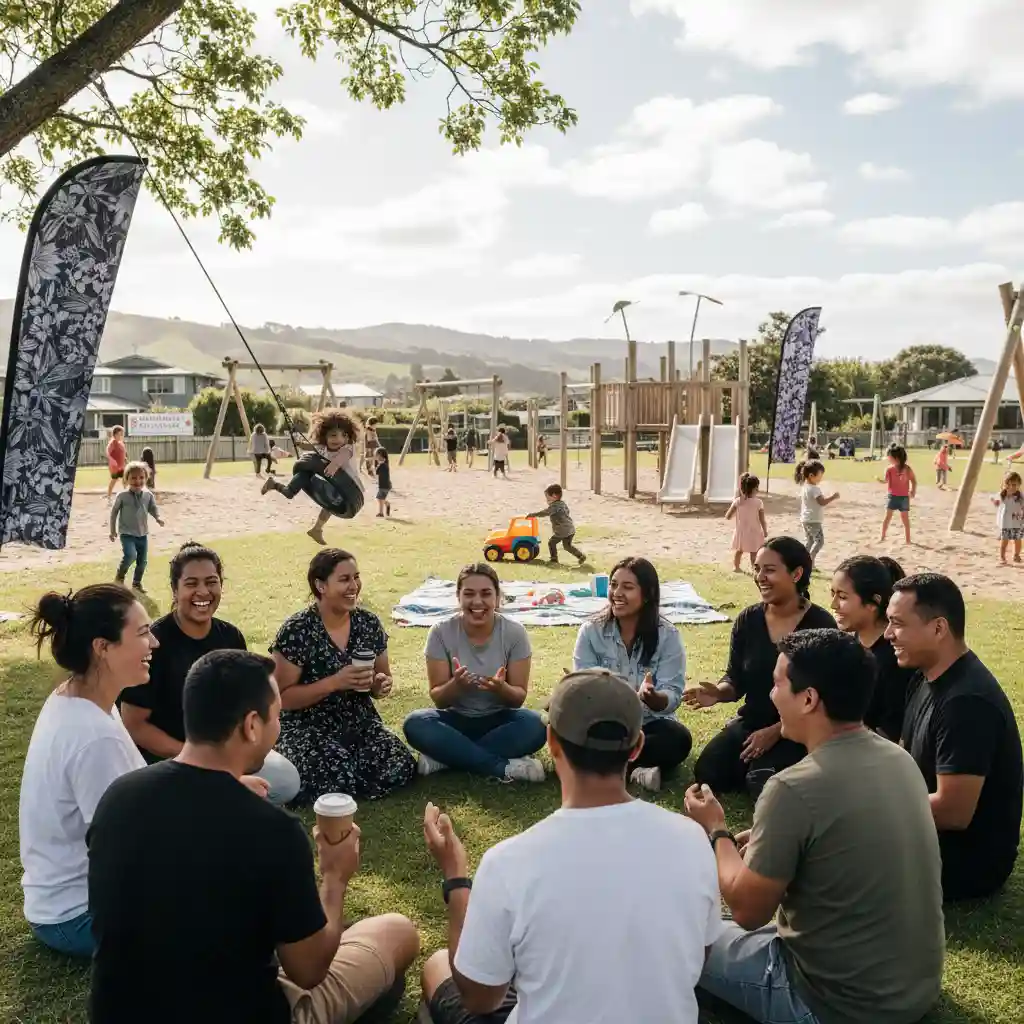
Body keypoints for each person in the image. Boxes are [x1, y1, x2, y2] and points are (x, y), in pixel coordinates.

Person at [87, 649, 420, 1024]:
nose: (277, 728)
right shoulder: (271, 830)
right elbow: (308, 971)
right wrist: (335, 876)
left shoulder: (118, 798)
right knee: (397, 931)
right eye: (276, 716)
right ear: (250, 725)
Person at [420, 668, 723, 1024]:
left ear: (551, 741)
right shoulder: (692, 840)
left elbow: (479, 998)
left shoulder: (509, 862)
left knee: (439, 965)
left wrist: (456, 880)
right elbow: (699, 957)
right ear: (638, 746)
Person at [685, 629, 944, 1024]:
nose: (771, 695)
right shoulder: (899, 760)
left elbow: (747, 910)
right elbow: (844, 836)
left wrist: (716, 829)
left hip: (831, 1002)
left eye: (777, 684)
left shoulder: (793, 788)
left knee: (679, 932)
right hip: (914, 989)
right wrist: (772, 836)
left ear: (808, 699)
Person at [19, 583, 154, 958]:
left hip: (69, 903)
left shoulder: (80, 697)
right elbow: (128, 848)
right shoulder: (94, 737)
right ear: (103, 647)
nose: (154, 643)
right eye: (143, 633)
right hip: (78, 915)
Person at [120, 541, 300, 805]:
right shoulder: (154, 644)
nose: (203, 592)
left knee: (285, 780)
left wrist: (239, 753)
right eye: (191, 583)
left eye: (211, 582)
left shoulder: (230, 637)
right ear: (175, 589)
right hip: (168, 759)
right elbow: (134, 725)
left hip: (221, 753)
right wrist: (197, 762)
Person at [888, 573, 1023, 901]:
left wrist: (868, 809)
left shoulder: (967, 703)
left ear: (938, 629)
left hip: (966, 861)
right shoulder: (924, 676)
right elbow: (904, 757)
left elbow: (953, 812)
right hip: (925, 832)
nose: (888, 634)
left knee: (836, 851)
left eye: (898, 624)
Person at [687, 537, 836, 799]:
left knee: (762, 779)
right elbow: (735, 678)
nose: (760, 577)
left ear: (796, 574)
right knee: (708, 771)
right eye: (757, 569)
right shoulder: (748, 619)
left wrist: (776, 731)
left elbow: (826, 696)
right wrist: (719, 693)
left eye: (769, 570)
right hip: (752, 721)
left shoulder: (821, 625)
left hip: (800, 729)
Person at [271, 549, 416, 803]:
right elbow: (281, 698)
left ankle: (347, 777)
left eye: (356, 577)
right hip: (306, 725)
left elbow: (382, 677)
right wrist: (335, 682)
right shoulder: (297, 630)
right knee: (334, 772)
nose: (354, 586)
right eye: (344, 579)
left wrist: (379, 685)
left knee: (399, 762)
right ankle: (343, 778)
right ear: (321, 586)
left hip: (357, 720)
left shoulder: (368, 623)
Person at [404, 563, 546, 783]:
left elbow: (518, 699)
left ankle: (447, 758)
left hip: (500, 721)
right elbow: (439, 699)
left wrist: (501, 688)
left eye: (486, 594)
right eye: (469, 594)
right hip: (455, 721)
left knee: (536, 725)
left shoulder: (515, 632)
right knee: (415, 723)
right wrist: (456, 685)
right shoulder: (440, 632)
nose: (477, 601)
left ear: (497, 598)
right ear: (458, 597)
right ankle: (503, 768)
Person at [572, 557, 692, 791]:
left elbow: (673, 693)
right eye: (614, 585)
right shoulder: (590, 631)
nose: (617, 593)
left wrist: (655, 698)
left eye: (627, 587)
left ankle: (606, 769)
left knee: (678, 738)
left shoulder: (667, 635)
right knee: (570, 729)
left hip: (650, 725)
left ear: (647, 594)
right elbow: (583, 686)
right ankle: (637, 770)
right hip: (605, 723)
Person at [830, 555, 913, 741]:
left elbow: (891, 733)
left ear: (873, 603)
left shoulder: (896, 658)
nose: (833, 604)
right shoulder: (847, 644)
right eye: (833, 594)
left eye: (842, 597)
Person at [263, 409, 364, 545]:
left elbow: (343, 456)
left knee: (330, 506)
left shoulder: (347, 448)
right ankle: (276, 485)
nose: (338, 439)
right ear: (324, 436)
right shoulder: (323, 448)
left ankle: (317, 529)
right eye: (333, 435)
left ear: (348, 437)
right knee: (297, 487)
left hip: (347, 487)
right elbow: (311, 447)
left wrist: (335, 464)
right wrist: (299, 443)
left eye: (343, 435)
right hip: (332, 485)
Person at [109, 460, 164, 593]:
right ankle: (119, 578)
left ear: (146, 478)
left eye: (141, 477)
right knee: (130, 555)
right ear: (126, 478)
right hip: (127, 533)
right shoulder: (122, 496)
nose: (137, 481)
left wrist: (158, 518)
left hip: (142, 534)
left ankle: (137, 583)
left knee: (142, 561)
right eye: (133, 478)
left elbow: (153, 508)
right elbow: (114, 512)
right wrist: (112, 531)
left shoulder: (148, 495)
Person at [794, 458, 838, 569]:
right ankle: (810, 560)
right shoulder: (814, 489)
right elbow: (822, 502)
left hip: (805, 519)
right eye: (820, 475)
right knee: (819, 541)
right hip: (813, 520)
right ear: (811, 475)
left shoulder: (805, 487)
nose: (821, 477)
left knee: (810, 541)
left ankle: (802, 560)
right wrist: (833, 497)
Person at [528, 483, 586, 565]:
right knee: (567, 546)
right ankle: (581, 556)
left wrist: (533, 515)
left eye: (548, 498)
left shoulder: (555, 506)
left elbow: (546, 512)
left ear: (554, 496)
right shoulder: (562, 504)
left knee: (551, 543)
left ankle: (554, 559)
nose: (547, 500)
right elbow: (567, 512)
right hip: (570, 529)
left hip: (562, 530)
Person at [725, 472, 767, 573]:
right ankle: (755, 570)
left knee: (739, 551)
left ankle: (736, 567)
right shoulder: (759, 503)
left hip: (741, 531)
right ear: (754, 488)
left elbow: (728, 516)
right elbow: (762, 519)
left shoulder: (738, 501)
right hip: (754, 531)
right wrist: (765, 530)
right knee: (754, 552)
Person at [879, 443, 916, 544]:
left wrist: (913, 490)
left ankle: (908, 540)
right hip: (892, 497)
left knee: (905, 519)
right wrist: (881, 481)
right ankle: (882, 537)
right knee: (887, 517)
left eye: (889, 456)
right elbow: (886, 480)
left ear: (896, 458)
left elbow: (913, 480)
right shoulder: (889, 469)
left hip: (904, 498)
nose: (888, 458)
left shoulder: (907, 469)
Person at [992, 470, 1024, 563]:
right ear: (1004, 485)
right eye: (1008, 485)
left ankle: (1016, 555)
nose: (1011, 487)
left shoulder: (1020, 496)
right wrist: (996, 502)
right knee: (1004, 540)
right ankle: (1002, 557)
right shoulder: (1003, 494)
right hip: (1005, 522)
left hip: (1017, 521)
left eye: (1014, 485)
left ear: (1019, 485)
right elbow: (993, 499)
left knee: (1017, 539)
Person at [106, 424, 126, 499]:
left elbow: (122, 453)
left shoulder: (121, 443)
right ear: (115, 434)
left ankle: (127, 494)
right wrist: (112, 460)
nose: (121, 436)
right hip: (115, 466)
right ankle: (109, 496)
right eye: (120, 434)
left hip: (121, 465)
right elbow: (108, 452)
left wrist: (125, 459)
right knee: (114, 480)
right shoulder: (113, 442)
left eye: (122, 434)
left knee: (125, 479)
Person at [373, 447, 392, 518]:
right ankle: (387, 504)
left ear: (380, 455)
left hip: (384, 486)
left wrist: (376, 466)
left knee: (380, 499)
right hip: (384, 485)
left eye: (376, 455)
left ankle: (381, 513)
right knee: (380, 498)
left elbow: (377, 472)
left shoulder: (383, 464)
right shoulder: (384, 464)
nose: (375, 457)